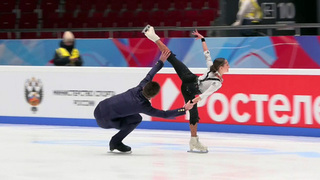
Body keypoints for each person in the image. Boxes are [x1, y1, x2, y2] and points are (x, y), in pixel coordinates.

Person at [142, 25, 229, 153]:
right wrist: (192, 103)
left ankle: (154, 37)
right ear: (221, 67)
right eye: (226, 64)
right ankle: (194, 141)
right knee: (194, 115)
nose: (228, 66)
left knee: (172, 58)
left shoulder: (213, 69)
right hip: (190, 86)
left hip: (189, 80)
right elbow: (204, 95)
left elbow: (207, 54)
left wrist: (203, 39)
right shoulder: (218, 82)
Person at [94, 50, 195, 153]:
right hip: (104, 122)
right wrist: (184, 109)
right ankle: (115, 142)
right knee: (136, 119)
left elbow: (150, 73)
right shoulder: (143, 106)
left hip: (98, 108)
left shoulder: (141, 86)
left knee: (133, 115)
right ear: (154, 96)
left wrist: (160, 61)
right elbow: (164, 114)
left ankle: (115, 140)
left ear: (145, 86)